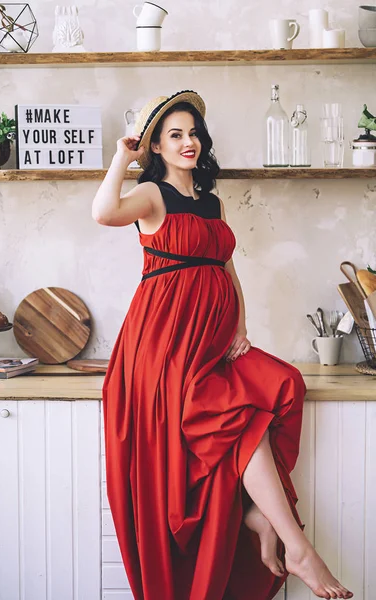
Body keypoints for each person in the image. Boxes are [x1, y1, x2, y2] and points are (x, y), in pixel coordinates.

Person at [92, 90, 353, 600]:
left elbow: (226, 268)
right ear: (159, 148)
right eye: (175, 135)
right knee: (236, 416)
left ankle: (258, 514)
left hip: (213, 341)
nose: (188, 142)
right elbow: (104, 213)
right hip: (164, 346)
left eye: (193, 133)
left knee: (282, 383)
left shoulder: (211, 202)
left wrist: (240, 323)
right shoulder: (152, 195)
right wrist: (124, 156)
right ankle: (295, 546)